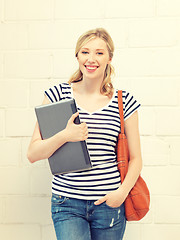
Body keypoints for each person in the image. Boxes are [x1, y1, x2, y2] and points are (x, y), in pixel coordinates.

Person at [27, 28, 142, 240]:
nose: (91, 59)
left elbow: (136, 158)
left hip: (109, 204)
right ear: (77, 56)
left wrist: (121, 193)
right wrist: (65, 135)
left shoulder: (123, 102)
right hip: (67, 203)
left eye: (99, 53)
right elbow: (33, 153)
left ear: (109, 58)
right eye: (85, 52)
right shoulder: (57, 95)